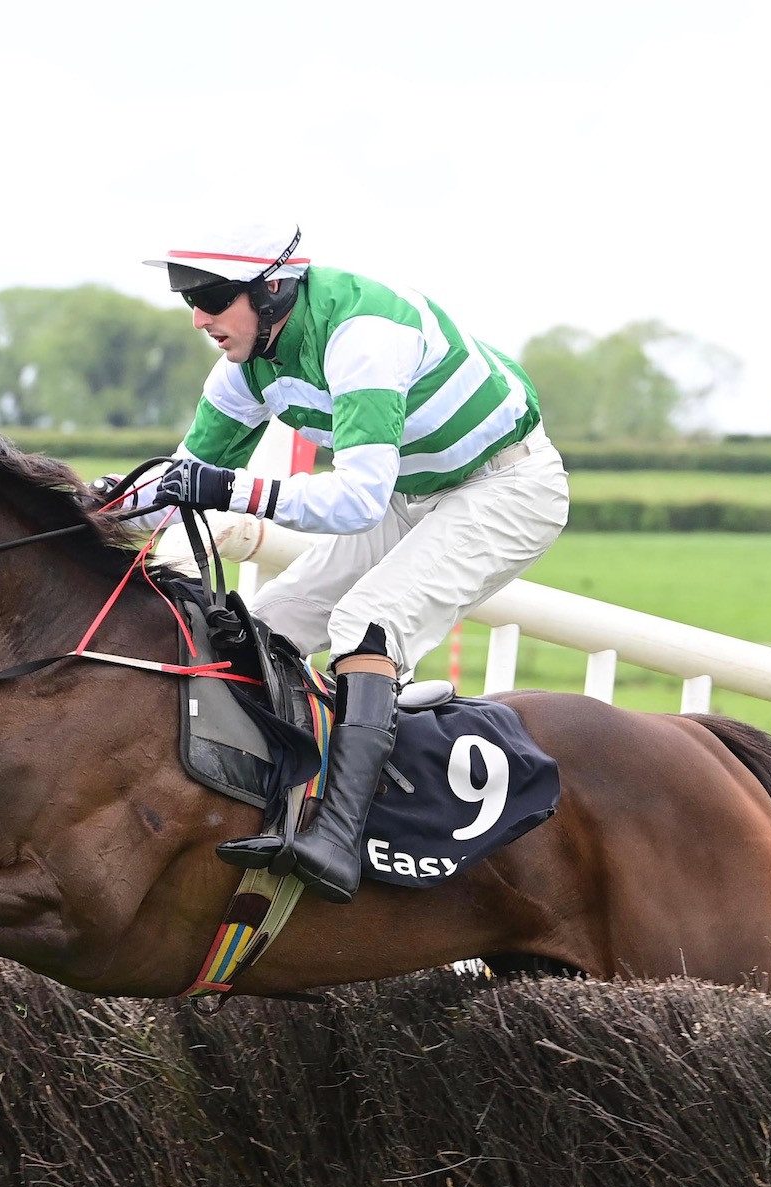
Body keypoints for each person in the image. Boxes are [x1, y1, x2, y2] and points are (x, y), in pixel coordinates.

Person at [133, 223, 570, 905]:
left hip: (506, 487)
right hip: (413, 492)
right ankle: (274, 808)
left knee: (369, 619)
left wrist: (233, 490)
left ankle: (339, 833)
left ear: (272, 287)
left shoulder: (363, 335)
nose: (199, 317)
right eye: (188, 296)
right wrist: (82, 505)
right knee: (262, 623)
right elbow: (179, 477)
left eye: (212, 295)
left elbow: (359, 498)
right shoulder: (249, 364)